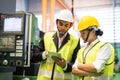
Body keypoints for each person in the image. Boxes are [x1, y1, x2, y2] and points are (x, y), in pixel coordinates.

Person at [31, 9, 80, 80]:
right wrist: (44, 55)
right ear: (57, 22)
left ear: (70, 25)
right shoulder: (46, 36)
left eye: (66, 25)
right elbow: (33, 57)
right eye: (61, 24)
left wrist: (65, 66)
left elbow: (76, 65)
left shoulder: (75, 41)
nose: (63, 27)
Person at [72, 16, 115, 80]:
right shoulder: (81, 50)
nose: (81, 36)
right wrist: (91, 73)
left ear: (93, 31)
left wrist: (78, 65)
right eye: (80, 33)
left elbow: (96, 67)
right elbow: (73, 70)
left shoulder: (105, 47)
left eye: (83, 33)